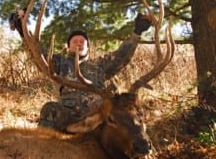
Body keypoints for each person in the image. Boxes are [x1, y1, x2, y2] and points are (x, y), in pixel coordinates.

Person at [9, 11, 152, 132]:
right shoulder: (59, 62)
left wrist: (136, 33)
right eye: (74, 41)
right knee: (50, 108)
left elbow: (122, 55)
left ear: (88, 47)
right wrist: (23, 30)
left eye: (82, 41)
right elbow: (38, 53)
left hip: (98, 115)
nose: (78, 43)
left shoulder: (100, 64)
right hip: (69, 116)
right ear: (68, 47)